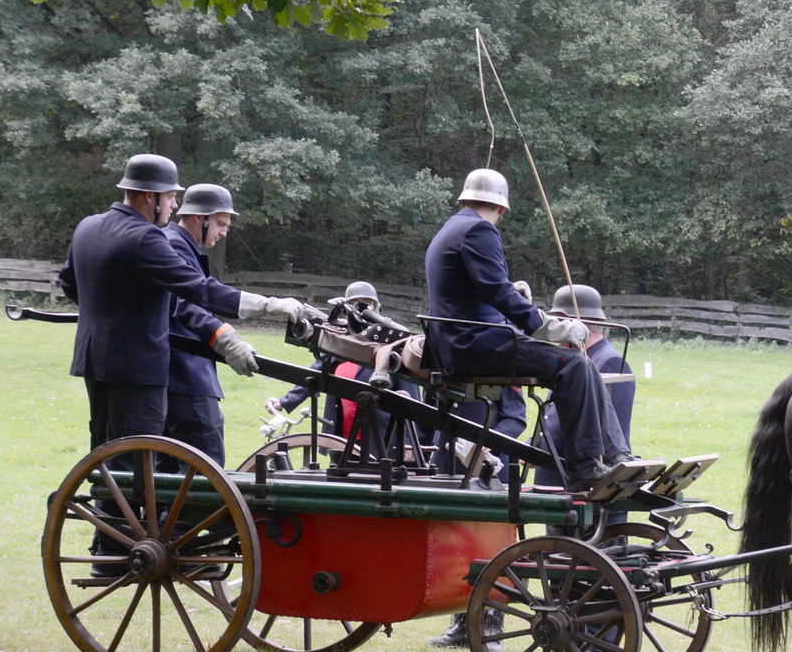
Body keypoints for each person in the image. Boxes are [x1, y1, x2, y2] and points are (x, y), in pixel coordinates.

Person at [59, 154, 321, 571]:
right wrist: (272, 305)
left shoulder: (88, 226)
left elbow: (69, 283)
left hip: (94, 360)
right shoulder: (146, 238)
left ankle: (107, 547)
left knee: (109, 454)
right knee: (138, 460)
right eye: (169, 198)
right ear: (150, 197)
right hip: (140, 367)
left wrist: (114, 316)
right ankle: (118, 553)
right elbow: (200, 290)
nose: (172, 206)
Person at [423, 168, 630, 494]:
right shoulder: (479, 230)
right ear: (501, 209)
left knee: (582, 365)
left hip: (460, 344)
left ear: (463, 198)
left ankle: (618, 456)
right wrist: (551, 328)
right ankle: (585, 466)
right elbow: (500, 293)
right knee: (575, 364)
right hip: (475, 346)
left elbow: (488, 294)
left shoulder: (450, 229)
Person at [265, 281, 424, 446]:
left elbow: (411, 399)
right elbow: (315, 375)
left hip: (382, 437)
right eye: (356, 304)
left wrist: (410, 442)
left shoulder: (393, 343)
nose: (363, 309)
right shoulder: (341, 341)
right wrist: (285, 401)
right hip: (342, 435)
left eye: (369, 303)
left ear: (377, 308)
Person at [163, 183, 243, 466]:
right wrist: (223, 335)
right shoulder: (171, 244)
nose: (224, 232)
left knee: (169, 472)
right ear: (200, 217)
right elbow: (184, 306)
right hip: (185, 376)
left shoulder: (181, 245)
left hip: (181, 375)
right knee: (207, 467)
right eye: (221, 223)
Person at [532, 284, 635, 490]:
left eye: (559, 321)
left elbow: (613, 431)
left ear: (578, 324)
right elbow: (552, 416)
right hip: (556, 475)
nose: (555, 329)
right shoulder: (567, 361)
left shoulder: (611, 362)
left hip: (592, 485)